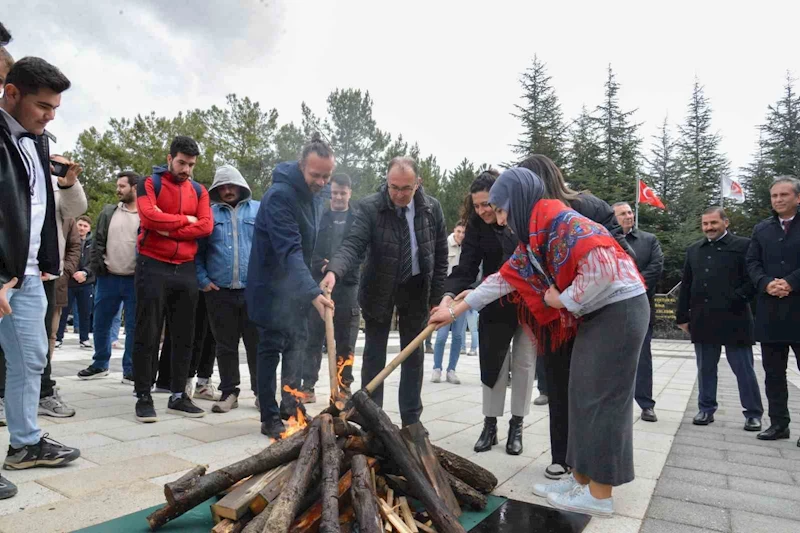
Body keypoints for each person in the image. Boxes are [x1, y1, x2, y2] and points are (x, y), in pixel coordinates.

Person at [430, 168, 648, 517]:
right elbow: (503, 279)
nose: (500, 220)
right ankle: (579, 481)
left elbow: (604, 268)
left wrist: (560, 300)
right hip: (597, 314)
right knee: (580, 396)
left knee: (602, 401)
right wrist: (454, 311)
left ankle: (600, 495)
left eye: (501, 210)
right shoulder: (535, 234)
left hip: (620, 312)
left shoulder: (559, 219)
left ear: (517, 202)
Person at [518, 154, 635, 480]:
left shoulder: (588, 208)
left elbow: (620, 255)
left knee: (592, 394)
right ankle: (563, 457)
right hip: (554, 319)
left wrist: (568, 290)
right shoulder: (526, 218)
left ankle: (595, 473)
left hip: (595, 314)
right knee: (557, 386)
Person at [0, 56, 82, 499]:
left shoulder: (38, 142)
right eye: (43, 106)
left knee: (32, 360)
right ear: (11, 93)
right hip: (2, 273)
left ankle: (25, 443)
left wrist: (45, 260)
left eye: (55, 108)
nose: (50, 115)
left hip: (28, 275)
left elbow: (41, 209)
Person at [323, 157, 448, 427]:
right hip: (379, 287)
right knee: (374, 355)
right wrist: (334, 271)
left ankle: (412, 420)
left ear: (418, 183)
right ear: (387, 182)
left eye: (406, 188)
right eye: (394, 188)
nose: (400, 195)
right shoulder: (370, 207)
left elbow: (440, 257)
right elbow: (353, 245)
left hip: (416, 288)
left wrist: (437, 300)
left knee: (413, 356)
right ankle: (372, 418)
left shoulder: (431, 209)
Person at [435, 170, 535, 455]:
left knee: (525, 364)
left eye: (487, 204)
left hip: (527, 304)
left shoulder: (521, 220)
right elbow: (465, 266)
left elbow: (516, 267)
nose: (482, 211)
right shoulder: (477, 227)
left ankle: (517, 426)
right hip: (493, 304)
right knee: (492, 364)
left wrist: (475, 291)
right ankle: (489, 425)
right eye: (476, 206)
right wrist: (448, 296)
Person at [247, 134, 335, 439]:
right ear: (301, 167)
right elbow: (289, 250)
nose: (322, 182)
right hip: (271, 288)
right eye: (316, 175)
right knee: (271, 347)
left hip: (295, 286)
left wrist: (325, 265)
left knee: (297, 342)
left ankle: (290, 404)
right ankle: (269, 414)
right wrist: (311, 292)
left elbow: (311, 240)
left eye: (327, 176)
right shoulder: (280, 196)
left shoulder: (313, 195)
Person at [132, 135, 213, 423]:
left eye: (191, 164)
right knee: (148, 330)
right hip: (152, 264)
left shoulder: (200, 190)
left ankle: (179, 394)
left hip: (186, 267)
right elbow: (149, 218)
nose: (186, 169)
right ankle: (143, 394)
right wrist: (185, 221)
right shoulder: (148, 183)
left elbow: (206, 226)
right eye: (181, 162)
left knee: (185, 334)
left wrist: (170, 227)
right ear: (170, 158)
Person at [676, 207, 762, 430]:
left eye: (713, 223)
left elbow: (754, 279)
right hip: (703, 318)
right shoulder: (694, 250)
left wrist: (737, 298)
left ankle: (753, 413)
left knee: (743, 368)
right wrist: (682, 316)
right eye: (705, 224)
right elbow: (686, 285)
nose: (709, 228)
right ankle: (705, 410)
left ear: (726, 222)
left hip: (735, 317)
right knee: (705, 368)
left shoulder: (744, 246)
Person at [195, 164, 260, 413]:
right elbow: (197, 253)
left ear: (241, 186)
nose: (228, 190)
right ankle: (229, 392)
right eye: (222, 187)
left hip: (253, 292)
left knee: (257, 345)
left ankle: (261, 393)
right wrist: (202, 279)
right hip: (219, 292)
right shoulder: (209, 215)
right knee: (225, 345)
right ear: (217, 190)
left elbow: (270, 248)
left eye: (232, 185)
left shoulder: (259, 210)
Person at [746, 175, 800, 445]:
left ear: (798, 198)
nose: (778, 200)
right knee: (773, 373)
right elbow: (752, 262)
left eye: (784, 195)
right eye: (774, 196)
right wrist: (766, 283)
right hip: (771, 312)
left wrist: (791, 282)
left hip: (798, 309)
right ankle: (779, 424)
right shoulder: (762, 229)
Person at [301, 173, 360, 403]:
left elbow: (359, 251)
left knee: (346, 340)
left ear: (349, 193)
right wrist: (321, 265)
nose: (338, 197)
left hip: (348, 287)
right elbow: (309, 247)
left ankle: (343, 388)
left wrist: (337, 267)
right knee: (313, 337)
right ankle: (308, 386)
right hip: (319, 283)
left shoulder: (357, 219)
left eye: (342, 193)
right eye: (334, 192)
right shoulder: (320, 217)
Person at [76, 171, 140, 383]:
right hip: (107, 278)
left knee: (133, 326)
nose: (118, 190)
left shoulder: (146, 215)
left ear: (135, 187)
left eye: (122, 186)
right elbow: (96, 244)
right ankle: (100, 363)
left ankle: (130, 369)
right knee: (101, 323)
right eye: (118, 185)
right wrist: (97, 268)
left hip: (134, 281)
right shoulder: (108, 212)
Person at [613, 202, 663, 423]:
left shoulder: (648, 240)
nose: (628, 216)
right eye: (623, 213)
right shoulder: (606, 239)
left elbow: (656, 266)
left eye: (630, 212)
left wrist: (633, 285)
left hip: (640, 306)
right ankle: (613, 403)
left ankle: (646, 404)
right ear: (613, 217)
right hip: (610, 308)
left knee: (643, 357)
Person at [431, 221, 467, 385]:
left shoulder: (469, 248)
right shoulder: (445, 246)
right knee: (441, 335)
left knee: (458, 336)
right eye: (458, 231)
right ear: (454, 230)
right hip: (445, 297)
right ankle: (436, 368)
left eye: (464, 232)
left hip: (462, 298)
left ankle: (451, 370)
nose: (461, 235)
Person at [56, 215, 95, 348]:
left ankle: (84, 338)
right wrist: (72, 272)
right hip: (68, 281)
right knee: (63, 311)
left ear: (89, 228)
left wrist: (85, 272)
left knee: (85, 311)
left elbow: (95, 262)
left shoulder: (93, 243)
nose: (82, 228)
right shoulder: (68, 240)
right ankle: (58, 337)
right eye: (80, 225)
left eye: (85, 226)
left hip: (86, 282)